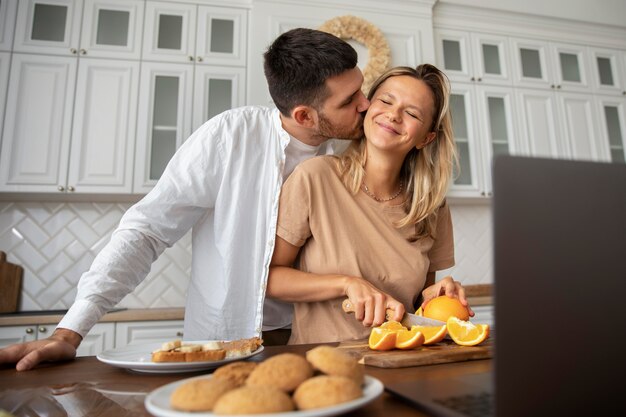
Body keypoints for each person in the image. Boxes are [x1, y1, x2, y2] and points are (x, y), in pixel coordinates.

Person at [0, 28, 370, 371]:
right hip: (228, 339)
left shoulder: (361, 149)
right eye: (350, 100)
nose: (366, 105)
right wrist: (70, 331)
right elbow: (147, 231)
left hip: (323, 336)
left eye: (362, 90)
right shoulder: (230, 137)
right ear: (304, 115)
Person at [267, 64, 472, 344]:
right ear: (368, 107)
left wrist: (436, 294)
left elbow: (421, 301)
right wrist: (346, 283)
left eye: (412, 113)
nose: (393, 115)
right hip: (325, 364)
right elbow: (270, 279)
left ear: (426, 138)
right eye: (386, 101)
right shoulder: (316, 177)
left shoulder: (431, 206)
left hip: (402, 360)